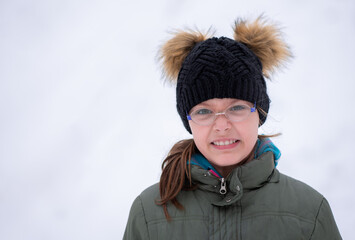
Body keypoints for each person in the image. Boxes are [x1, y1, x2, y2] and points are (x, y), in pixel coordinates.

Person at [123, 16, 342, 240]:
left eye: (236, 107)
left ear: (260, 113)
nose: (221, 126)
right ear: (188, 121)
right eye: (204, 111)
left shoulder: (309, 212)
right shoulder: (148, 214)